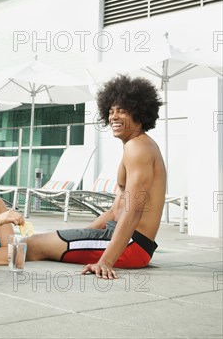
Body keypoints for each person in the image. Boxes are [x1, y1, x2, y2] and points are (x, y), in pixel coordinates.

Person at [27, 74, 166, 280]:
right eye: (111, 112)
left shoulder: (138, 147)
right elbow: (114, 211)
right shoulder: (135, 145)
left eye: (122, 111)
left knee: (30, 246)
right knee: (32, 241)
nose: (114, 117)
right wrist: (81, 234)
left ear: (139, 113)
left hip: (131, 246)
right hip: (122, 240)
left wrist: (106, 261)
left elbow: (133, 208)